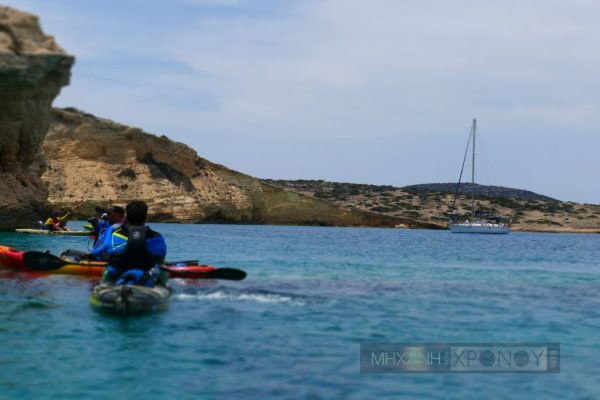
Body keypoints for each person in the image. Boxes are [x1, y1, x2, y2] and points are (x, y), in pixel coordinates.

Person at [84, 201, 167, 287]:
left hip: (117, 279)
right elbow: (160, 257)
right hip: (145, 279)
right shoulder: (157, 237)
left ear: (126, 217)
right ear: (145, 217)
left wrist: (88, 255)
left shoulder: (115, 234)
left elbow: (105, 250)